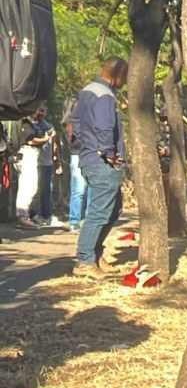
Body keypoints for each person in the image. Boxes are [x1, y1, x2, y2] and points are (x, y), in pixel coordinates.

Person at [73, 58, 129, 279]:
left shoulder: (86, 91)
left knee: (113, 209)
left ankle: (94, 254)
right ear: (118, 74)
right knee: (99, 211)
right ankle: (85, 260)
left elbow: (75, 124)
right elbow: (106, 126)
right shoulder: (104, 95)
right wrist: (109, 153)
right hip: (102, 161)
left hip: (88, 157)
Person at [14, 108, 53, 228]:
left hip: (33, 154)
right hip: (27, 153)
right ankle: (22, 216)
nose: (41, 113)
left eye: (43, 111)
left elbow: (48, 130)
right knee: (27, 186)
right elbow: (30, 140)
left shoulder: (38, 123)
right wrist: (45, 139)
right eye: (39, 110)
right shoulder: (26, 122)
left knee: (32, 186)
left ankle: (28, 215)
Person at [64, 98, 88, 231]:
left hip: (88, 156)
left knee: (87, 189)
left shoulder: (89, 121)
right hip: (77, 156)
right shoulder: (71, 123)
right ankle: (74, 221)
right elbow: (73, 143)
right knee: (78, 190)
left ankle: (85, 219)